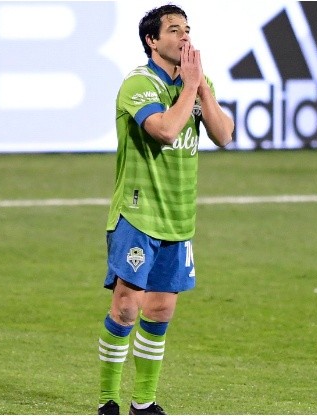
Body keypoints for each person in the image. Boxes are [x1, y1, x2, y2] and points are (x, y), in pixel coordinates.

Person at [96, 4, 234, 416]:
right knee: (125, 306)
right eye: (174, 30)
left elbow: (225, 135)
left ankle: (144, 401)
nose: (184, 36)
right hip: (137, 214)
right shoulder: (137, 84)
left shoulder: (197, 82)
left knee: (160, 309)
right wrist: (191, 87)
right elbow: (166, 131)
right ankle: (108, 399)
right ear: (152, 41)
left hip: (178, 216)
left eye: (187, 29)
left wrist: (202, 88)